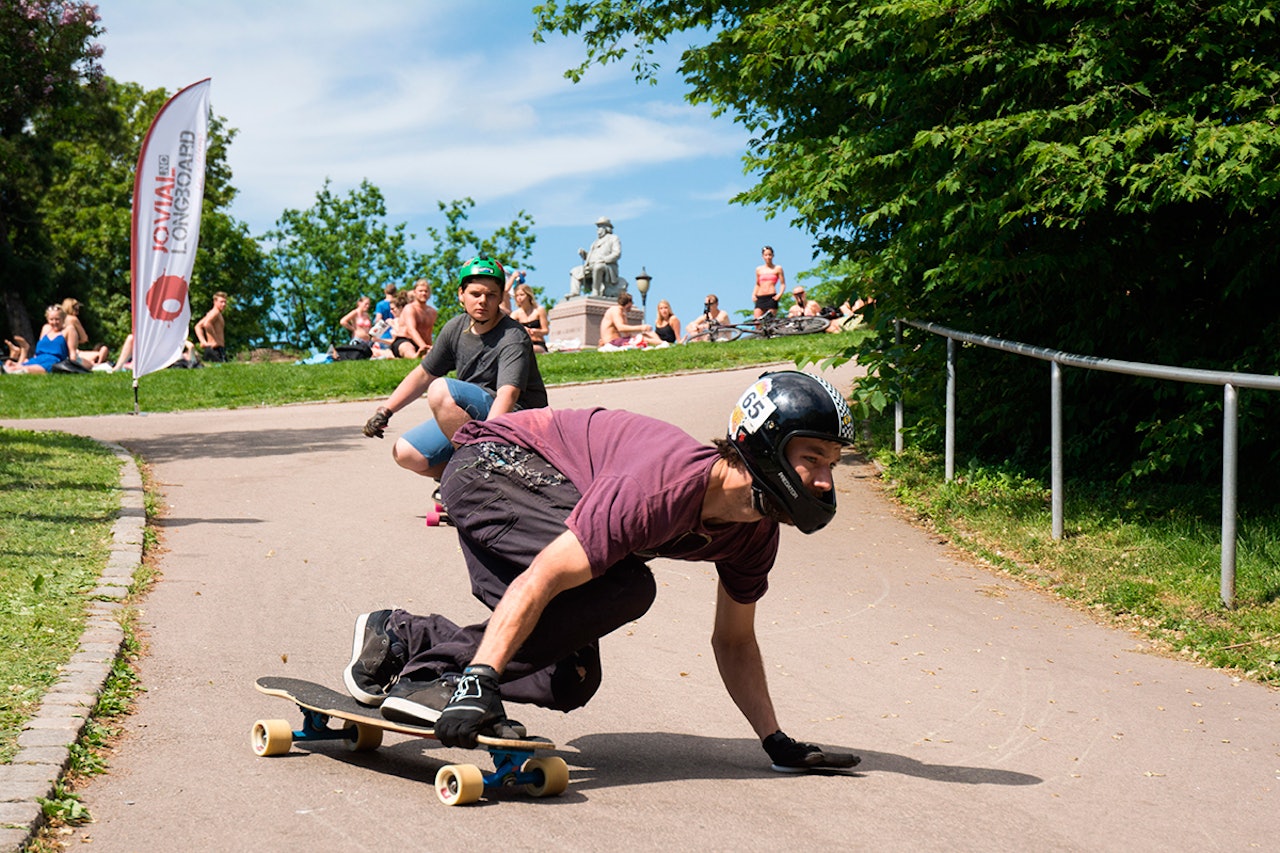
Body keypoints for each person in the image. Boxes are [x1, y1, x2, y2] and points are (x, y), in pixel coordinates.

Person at [343, 371, 862, 773]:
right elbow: (542, 578)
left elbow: (734, 640)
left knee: (570, 680)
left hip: (547, 497)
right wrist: (481, 680)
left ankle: (400, 641)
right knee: (625, 585)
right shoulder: (659, 485)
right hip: (493, 466)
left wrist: (776, 742)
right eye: (812, 458)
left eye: (831, 465)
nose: (822, 481)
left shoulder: (754, 534)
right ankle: (447, 670)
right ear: (765, 445)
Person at [361, 256, 548, 480]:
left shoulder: (513, 336)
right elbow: (423, 374)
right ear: (461, 294)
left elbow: (508, 395)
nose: (482, 301)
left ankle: (486, 472)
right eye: (475, 294)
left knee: (441, 390)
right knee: (406, 453)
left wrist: (488, 445)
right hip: (477, 417)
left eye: (491, 295)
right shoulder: (455, 328)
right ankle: (464, 479)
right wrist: (385, 410)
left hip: (519, 420)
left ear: (500, 297)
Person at [4, 305, 77, 374]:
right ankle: (7, 370)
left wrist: (73, 367)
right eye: (51, 319)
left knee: (26, 369)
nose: (54, 322)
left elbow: (72, 352)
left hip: (53, 361)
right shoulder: (46, 328)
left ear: (63, 319)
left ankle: (10, 371)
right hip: (38, 359)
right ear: (47, 319)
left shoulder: (68, 330)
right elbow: (38, 349)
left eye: (57, 319)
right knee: (11, 365)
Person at [569, 217, 622, 297]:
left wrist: (603, 260)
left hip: (607, 266)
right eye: (597, 227)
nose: (598, 230)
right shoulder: (595, 242)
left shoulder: (613, 238)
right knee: (575, 271)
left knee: (598, 267)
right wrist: (584, 255)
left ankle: (596, 291)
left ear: (606, 228)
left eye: (600, 227)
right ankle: (575, 292)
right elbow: (591, 258)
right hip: (590, 266)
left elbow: (617, 254)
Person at [60, 298, 109, 367]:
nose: (78, 313)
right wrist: (74, 341)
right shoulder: (73, 319)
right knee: (102, 350)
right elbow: (84, 338)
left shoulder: (58, 319)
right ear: (70, 308)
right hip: (73, 352)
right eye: (76, 310)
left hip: (60, 349)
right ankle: (97, 364)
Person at [397, 279, 438, 357]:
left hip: (421, 344)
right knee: (408, 347)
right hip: (404, 340)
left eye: (426, 291)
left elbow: (428, 333)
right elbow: (411, 330)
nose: (423, 293)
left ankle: (422, 354)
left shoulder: (432, 312)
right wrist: (423, 346)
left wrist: (429, 348)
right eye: (420, 291)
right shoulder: (409, 308)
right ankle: (414, 356)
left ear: (429, 294)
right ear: (415, 293)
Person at [509, 277, 549, 354]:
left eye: (522, 295)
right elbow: (510, 332)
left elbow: (546, 331)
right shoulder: (515, 314)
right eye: (517, 295)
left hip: (538, 343)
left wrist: (536, 331)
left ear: (528, 295)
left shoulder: (539, 310)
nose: (519, 298)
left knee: (530, 349)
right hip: (522, 343)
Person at [195, 292, 228, 362]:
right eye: (221, 302)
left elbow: (198, 326)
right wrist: (216, 340)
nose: (224, 304)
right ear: (215, 301)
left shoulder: (212, 313)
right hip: (215, 349)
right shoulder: (215, 312)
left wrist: (203, 341)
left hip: (212, 349)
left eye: (225, 302)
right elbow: (207, 324)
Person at [753, 246, 785, 319]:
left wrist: (780, 294)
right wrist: (753, 294)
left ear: (773, 255)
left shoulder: (778, 268)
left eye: (770, 255)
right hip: (760, 297)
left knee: (769, 321)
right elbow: (757, 284)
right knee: (756, 321)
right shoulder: (759, 269)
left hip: (771, 297)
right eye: (766, 255)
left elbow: (782, 284)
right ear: (763, 256)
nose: (768, 257)